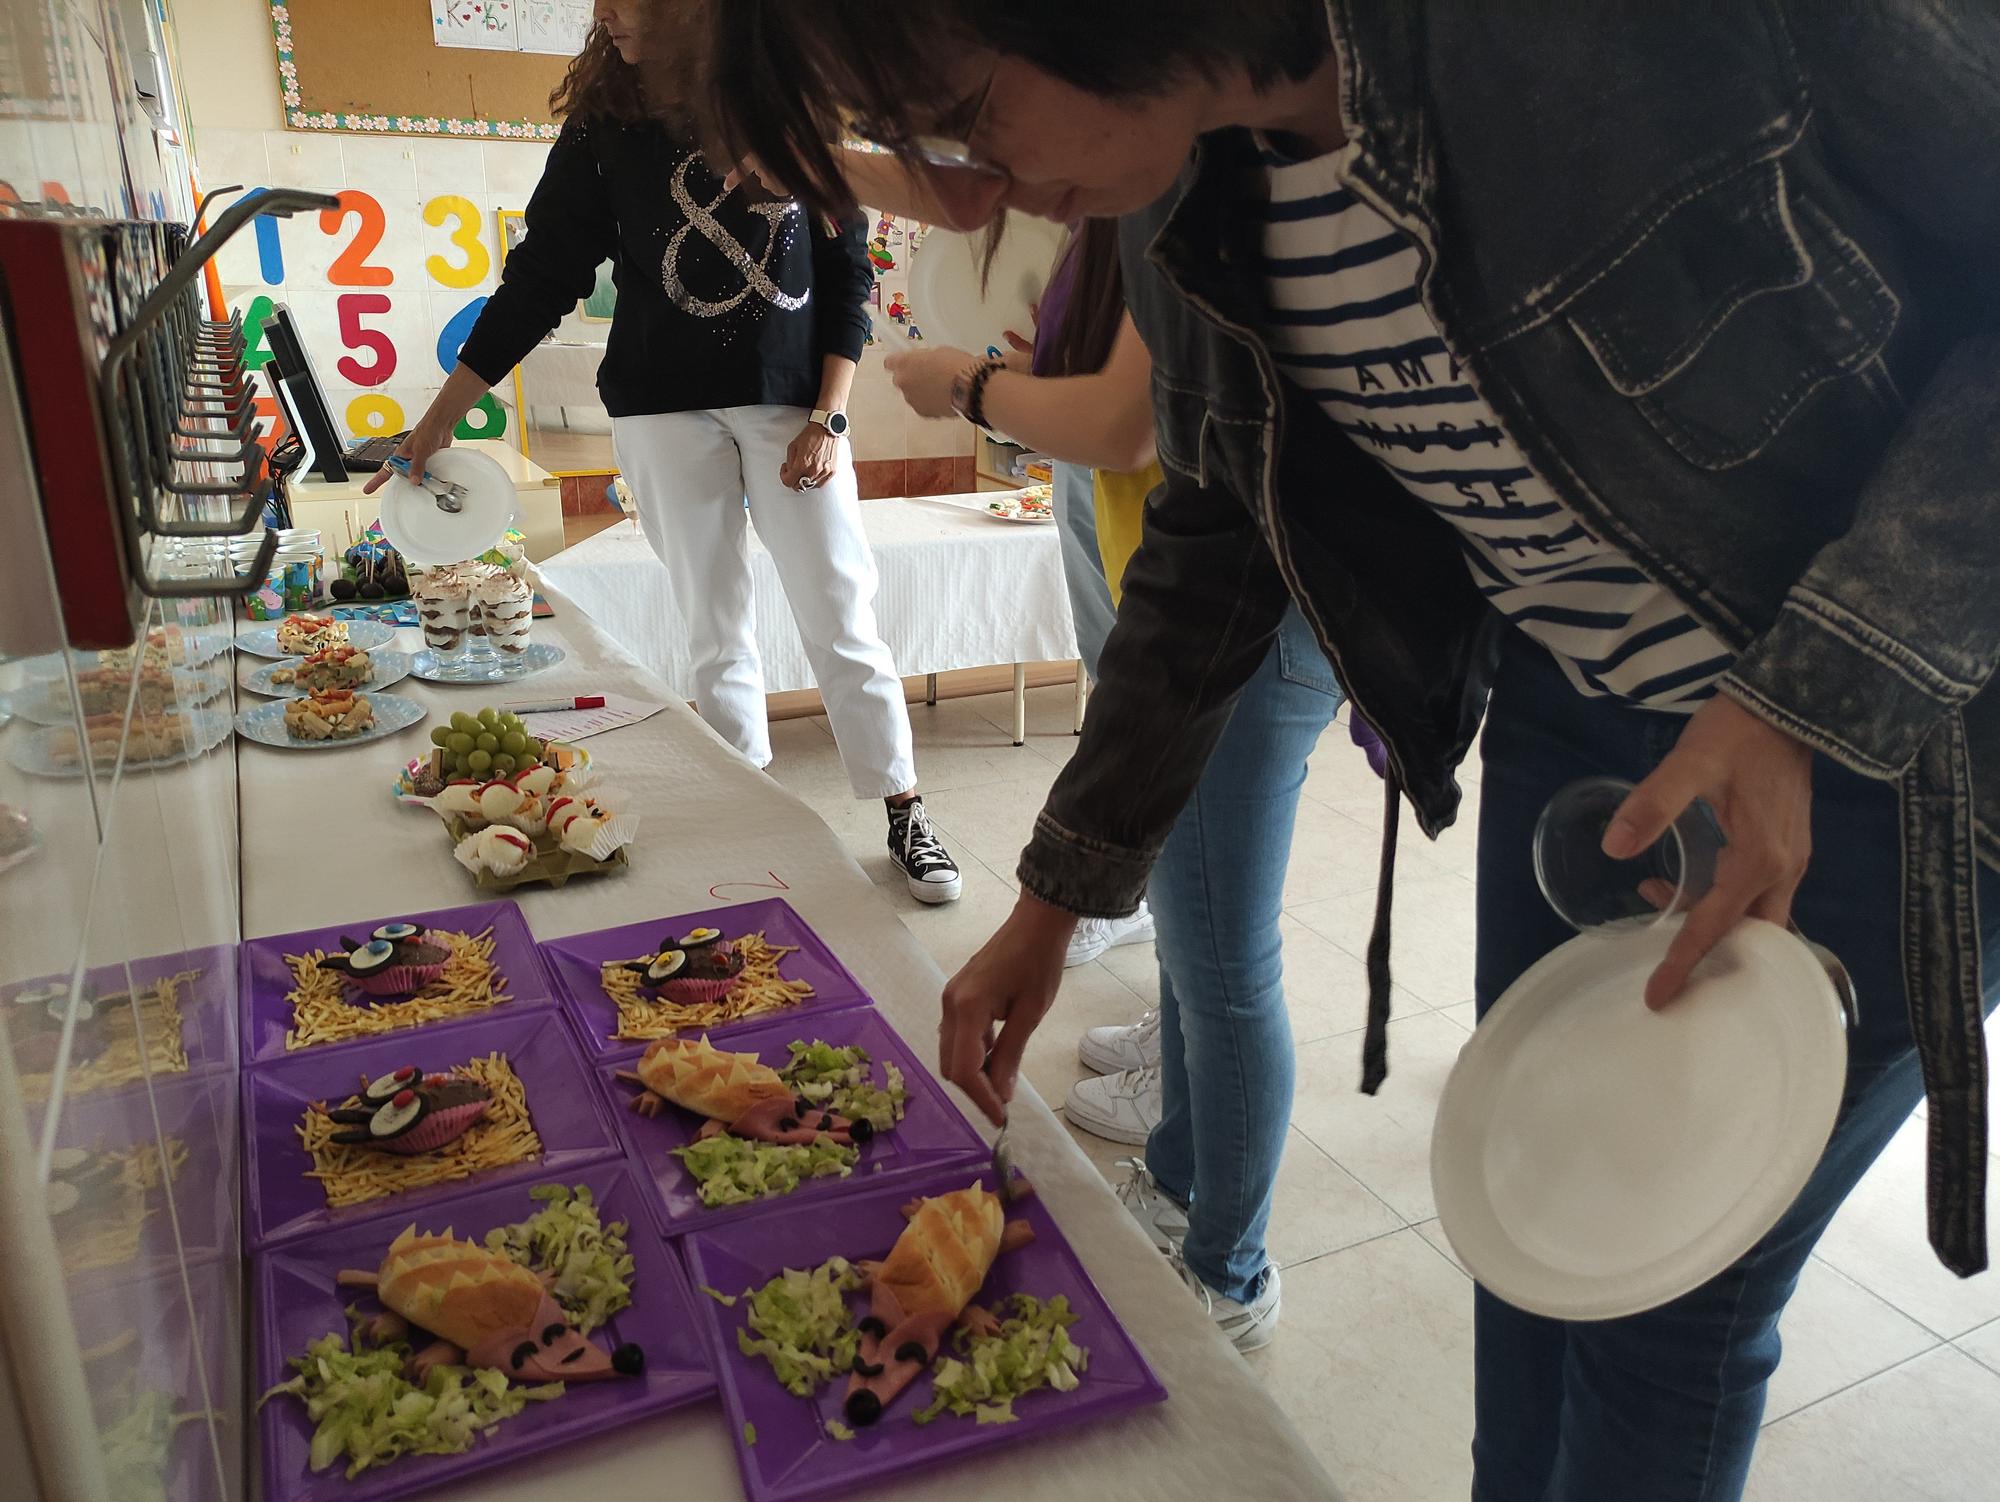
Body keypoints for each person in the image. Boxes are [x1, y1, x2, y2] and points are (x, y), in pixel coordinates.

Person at [660, 6, 2000, 1500]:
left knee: (1662, 1305)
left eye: (972, 113)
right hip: (1592, 724)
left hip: (1894, 744)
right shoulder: (1189, 174)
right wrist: (1057, 896)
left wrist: (1815, 685)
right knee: (1535, 1237)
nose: (986, 188)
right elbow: (1223, 531)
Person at [369, 1, 963, 906]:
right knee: (711, 623)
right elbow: (543, 276)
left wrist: (831, 415)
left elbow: (850, 272)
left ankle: (903, 807)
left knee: (840, 608)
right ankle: (752, 806)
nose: (608, 16)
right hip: (659, 408)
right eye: (600, 2)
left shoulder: (792, 103)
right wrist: (442, 415)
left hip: (791, 404)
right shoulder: (608, 122)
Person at [884, 218, 1352, 1347]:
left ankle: (1228, 1274)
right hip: (1214, 582)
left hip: (1250, 609)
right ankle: (1185, 1171)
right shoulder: (1163, 178)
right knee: (1197, 936)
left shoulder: (1211, 187)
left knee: (1223, 955)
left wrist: (966, 381)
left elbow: (1122, 421)